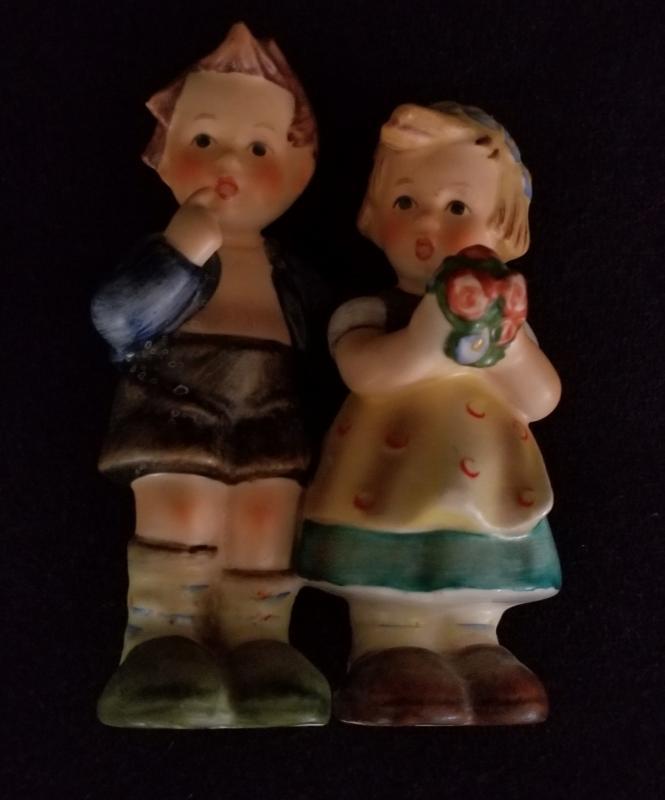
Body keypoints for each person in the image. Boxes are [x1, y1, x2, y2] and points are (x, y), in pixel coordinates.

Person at [92, 22, 331, 728]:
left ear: (298, 169)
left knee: (267, 519)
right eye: (202, 139)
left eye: (258, 148)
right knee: (182, 511)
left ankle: (261, 639)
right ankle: (163, 640)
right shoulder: (173, 248)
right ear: (163, 155)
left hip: (271, 410)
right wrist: (179, 256)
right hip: (175, 403)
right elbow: (116, 318)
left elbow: (329, 339)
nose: (228, 160)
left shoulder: (291, 272)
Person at [297, 102, 562, 725]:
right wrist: (428, 335)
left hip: (485, 487)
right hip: (387, 481)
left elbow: (541, 399)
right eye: (405, 202)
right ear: (374, 216)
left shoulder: (506, 321)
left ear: (504, 231)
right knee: (388, 582)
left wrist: (508, 345)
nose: (426, 224)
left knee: (474, 577)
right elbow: (366, 373)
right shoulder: (371, 311)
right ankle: (387, 645)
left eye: (457, 207)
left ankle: (476, 640)